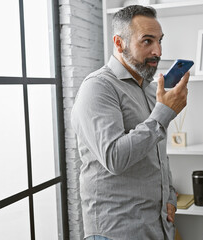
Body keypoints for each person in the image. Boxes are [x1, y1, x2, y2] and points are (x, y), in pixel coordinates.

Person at [71, 5, 189, 240]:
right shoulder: (98, 87)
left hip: (156, 225)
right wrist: (164, 113)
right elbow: (114, 158)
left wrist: (170, 198)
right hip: (116, 231)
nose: (158, 50)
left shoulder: (149, 88)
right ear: (119, 43)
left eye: (159, 41)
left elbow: (156, 156)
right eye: (147, 41)